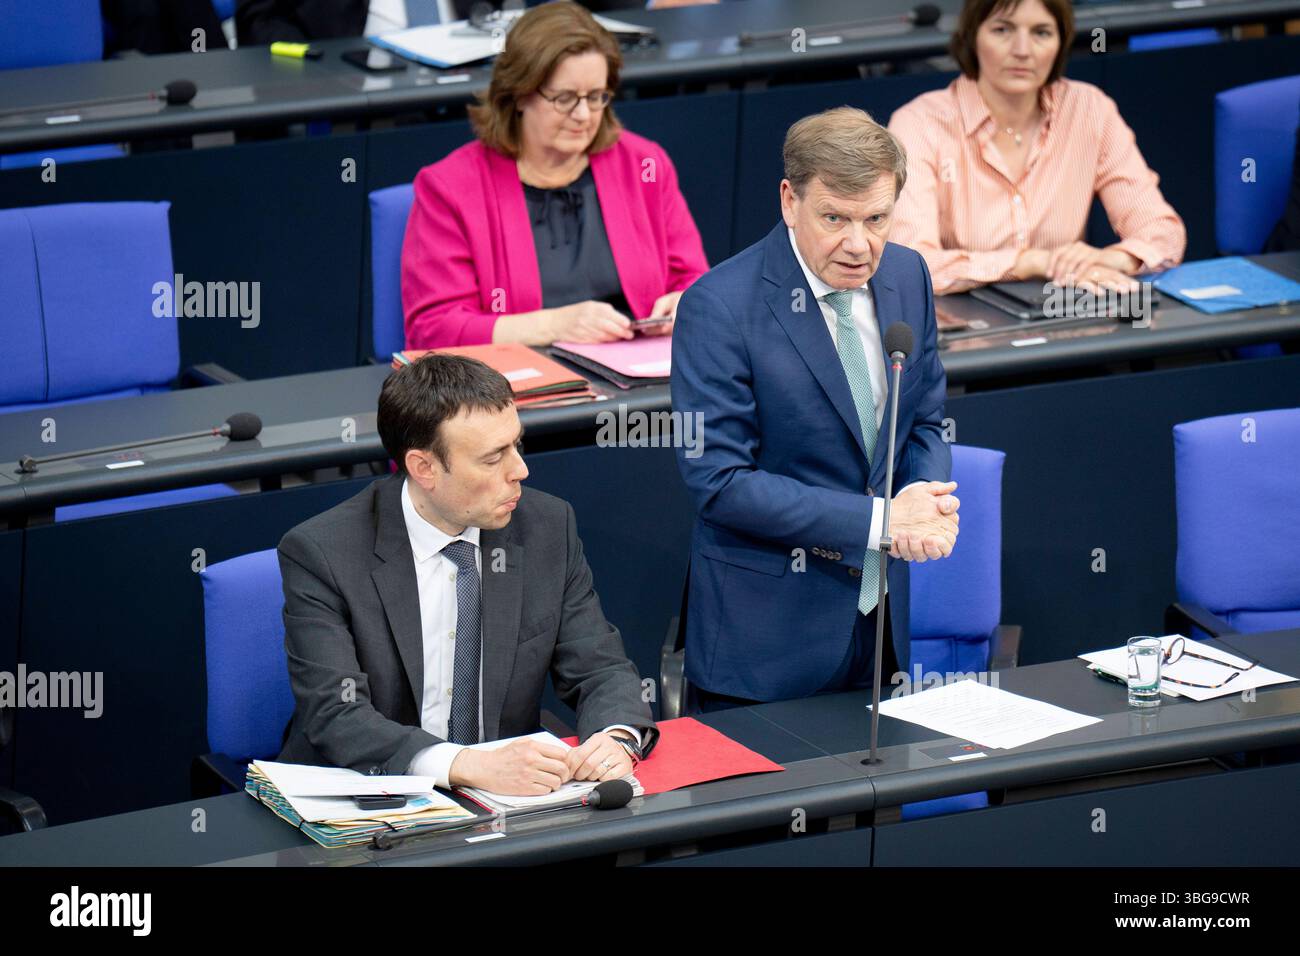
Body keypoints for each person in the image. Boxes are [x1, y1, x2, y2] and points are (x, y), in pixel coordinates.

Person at [671, 107, 961, 710]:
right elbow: (720, 482)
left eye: (877, 219)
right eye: (835, 218)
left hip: (879, 628)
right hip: (766, 645)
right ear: (789, 201)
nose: (860, 245)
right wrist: (881, 521)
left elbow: (925, 420)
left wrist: (924, 500)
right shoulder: (718, 306)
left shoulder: (907, 275)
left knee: (875, 802)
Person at [277, 354, 657, 795]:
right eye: (493, 458)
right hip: (366, 792)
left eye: (517, 444)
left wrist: (615, 736)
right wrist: (464, 765)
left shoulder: (547, 527)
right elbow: (335, 713)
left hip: (503, 798)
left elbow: (599, 667)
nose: (520, 470)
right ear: (424, 469)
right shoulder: (323, 553)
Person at [401, 1, 708, 348]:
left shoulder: (643, 165)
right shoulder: (449, 187)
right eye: (564, 98)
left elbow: (695, 280)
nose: (583, 115)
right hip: (513, 390)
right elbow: (433, 330)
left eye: (595, 97)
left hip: (634, 376)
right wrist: (555, 325)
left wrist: (685, 302)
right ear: (518, 94)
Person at [887, 0, 1186, 296]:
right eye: (1003, 30)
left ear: (1060, 43)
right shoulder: (919, 123)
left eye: (1041, 33)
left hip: (1066, 308)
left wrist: (1112, 259)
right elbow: (910, 264)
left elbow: (1163, 233)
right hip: (958, 318)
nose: (1022, 50)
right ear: (972, 37)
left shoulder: (1089, 108)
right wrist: (1029, 262)